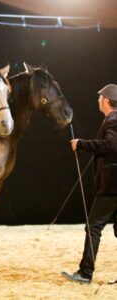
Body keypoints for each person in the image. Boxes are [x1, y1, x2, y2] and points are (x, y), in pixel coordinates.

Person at [62, 84, 117, 284]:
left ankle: (85, 273)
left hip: (111, 185)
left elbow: (111, 145)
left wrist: (82, 144)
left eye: (99, 97)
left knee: (93, 227)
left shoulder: (113, 120)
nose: (97, 100)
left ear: (106, 101)